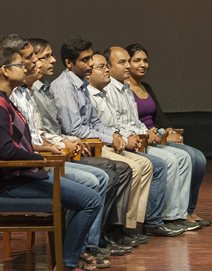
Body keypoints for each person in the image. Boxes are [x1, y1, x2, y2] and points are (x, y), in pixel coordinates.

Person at [0, 47, 103, 271]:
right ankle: (67, 265)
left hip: (23, 176)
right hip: (12, 182)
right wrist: (41, 160)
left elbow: (19, 141)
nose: (26, 68)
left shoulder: (4, 100)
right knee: (91, 200)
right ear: (4, 70)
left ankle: (68, 260)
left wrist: (43, 150)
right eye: (20, 65)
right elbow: (6, 150)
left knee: (89, 196)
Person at [50, 37, 173, 242]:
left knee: (143, 164)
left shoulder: (80, 85)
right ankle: (102, 234)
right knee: (121, 168)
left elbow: (96, 122)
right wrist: (114, 138)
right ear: (69, 63)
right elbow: (75, 129)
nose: (90, 64)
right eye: (85, 60)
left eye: (91, 59)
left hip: (95, 142)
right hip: (80, 147)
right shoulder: (64, 87)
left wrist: (114, 136)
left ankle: (124, 226)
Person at [26, 37, 134, 259]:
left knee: (117, 170)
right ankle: (87, 244)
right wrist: (61, 143)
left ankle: (100, 236)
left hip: (61, 148)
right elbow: (66, 130)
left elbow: (57, 129)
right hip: (47, 157)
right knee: (105, 174)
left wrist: (114, 135)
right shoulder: (53, 88)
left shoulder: (44, 89)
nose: (92, 65)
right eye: (42, 57)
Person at [87, 51, 184, 237]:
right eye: (122, 62)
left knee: (182, 157)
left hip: (124, 139)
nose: (127, 66)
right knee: (153, 164)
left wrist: (147, 132)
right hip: (105, 144)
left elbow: (122, 122)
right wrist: (130, 136)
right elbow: (100, 127)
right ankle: (138, 224)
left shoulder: (122, 88)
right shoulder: (101, 92)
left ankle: (145, 222)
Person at [126, 43, 210, 227]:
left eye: (145, 61)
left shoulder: (146, 86)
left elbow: (160, 116)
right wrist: (161, 135)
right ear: (127, 64)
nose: (142, 65)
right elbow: (130, 121)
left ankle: (188, 209)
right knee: (185, 157)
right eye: (137, 60)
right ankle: (173, 213)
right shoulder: (124, 89)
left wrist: (171, 132)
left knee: (199, 158)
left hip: (159, 135)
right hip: (146, 137)